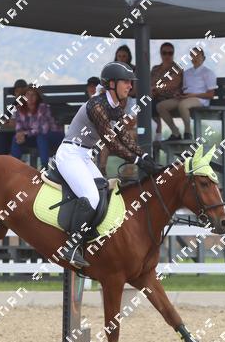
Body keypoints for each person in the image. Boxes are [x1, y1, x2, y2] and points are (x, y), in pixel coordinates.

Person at [54, 61, 160, 268]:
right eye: (126, 82)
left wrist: (145, 156)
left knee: (104, 192)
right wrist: (136, 161)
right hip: (70, 155)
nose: (130, 86)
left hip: (84, 156)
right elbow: (111, 142)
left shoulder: (114, 106)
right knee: (92, 196)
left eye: (130, 82)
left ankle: (89, 235)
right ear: (112, 84)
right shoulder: (97, 105)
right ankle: (71, 245)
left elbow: (124, 136)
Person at [156, 46, 215, 141]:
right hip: (186, 98)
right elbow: (184, 89)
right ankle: (175, 132)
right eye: (192, 55)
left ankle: (188, 133)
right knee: (161, 106)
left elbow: (210, 95)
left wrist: (193, 95)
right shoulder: (187, 73)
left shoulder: (208, 73)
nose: (195, 58)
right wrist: (178, 94)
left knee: (183, 105)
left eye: (197, 55)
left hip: (200, 99)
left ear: (203, 58)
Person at [10, 86, 64, 168]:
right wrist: (20, 134)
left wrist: (25, 133)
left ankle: (44, 167)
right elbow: (19, 127)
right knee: (16, 138)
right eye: (28, 94)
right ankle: (14, 166)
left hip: (53, 135)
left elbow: (43, 129)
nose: (30, 97)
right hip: (34, 137)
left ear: (37, 97)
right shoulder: (19, 109)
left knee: (41, 137)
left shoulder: (43, 108)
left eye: (33, 95)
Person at [150, 42, 183, 143]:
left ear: (173, 54)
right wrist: (154, 89)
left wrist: (156, 88)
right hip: (156, 97)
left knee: (154, 105)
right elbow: (150, 83)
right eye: (164, 53)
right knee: (145, 104)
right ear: (160, 54)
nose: (167, 56)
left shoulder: (177, 68)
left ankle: (173, 132)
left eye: (170, 53)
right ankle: (152, 136)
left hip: (172, 98)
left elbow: (173, 84)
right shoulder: (155, 69)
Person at [0, 79, 28, 155]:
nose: (19, 94)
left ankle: (0, 158)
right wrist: (6, 123)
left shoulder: (30, 104)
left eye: (22, 92)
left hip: (22, 132)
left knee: (2, 138)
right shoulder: (14, 105)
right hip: (10, 131)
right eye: (17, 91)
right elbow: (6, 119)